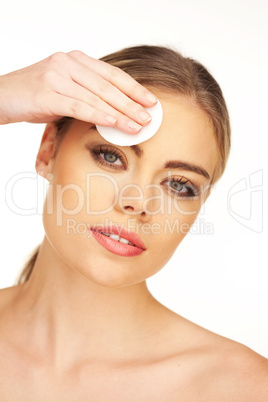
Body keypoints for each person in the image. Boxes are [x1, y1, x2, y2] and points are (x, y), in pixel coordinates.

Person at [0, 45, 267, 400]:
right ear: (49, 150)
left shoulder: (241, 387)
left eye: (179, 185)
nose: (138, 203)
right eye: (111, 157)